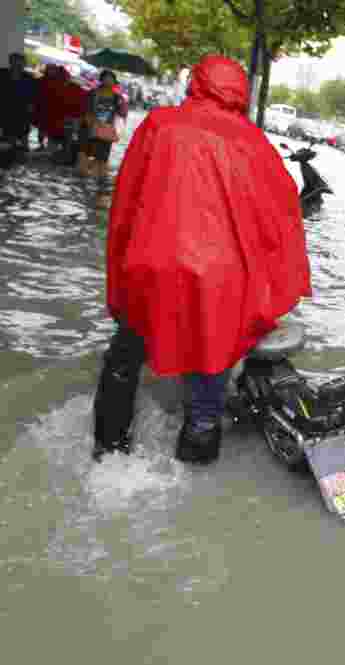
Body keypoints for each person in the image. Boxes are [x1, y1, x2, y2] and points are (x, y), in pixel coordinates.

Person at [93, 54, 312, 464]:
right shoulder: (254, 143)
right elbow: (282, 212)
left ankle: (108, 446)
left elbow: (126, 200)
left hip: (151, 265)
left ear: (196, 82)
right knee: (213, 353)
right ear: (241, 94)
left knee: (127, 350)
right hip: (221, 277)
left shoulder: (159, 124)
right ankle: (197, 448)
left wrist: (121, 274)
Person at [79, 69, 128, 177]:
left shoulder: (117, 97)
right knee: (88, 151)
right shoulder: (93, 93)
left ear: (114, 82)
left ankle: (99, 174)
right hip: (92, 126)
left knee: (103, 154)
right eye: (106, 78)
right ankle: (88, 172)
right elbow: (87, 108)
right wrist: (88, 121)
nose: (108, 81)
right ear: (101, 80)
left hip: (107, 129)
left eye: (111, 79)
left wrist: (123, 104)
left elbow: (122, 113)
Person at [1, 52, 39, 149]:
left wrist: (31, 111)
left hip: (23, 113)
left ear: (23, 64)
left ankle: (23, 158)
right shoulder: (3, 75)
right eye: (15, 62)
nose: (18, 65)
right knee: (9, 139)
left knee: (23, 139)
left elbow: (33, 97)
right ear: (10, 62)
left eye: (20, 63)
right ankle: (9, 158)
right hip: (6, 112)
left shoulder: (29, 78)